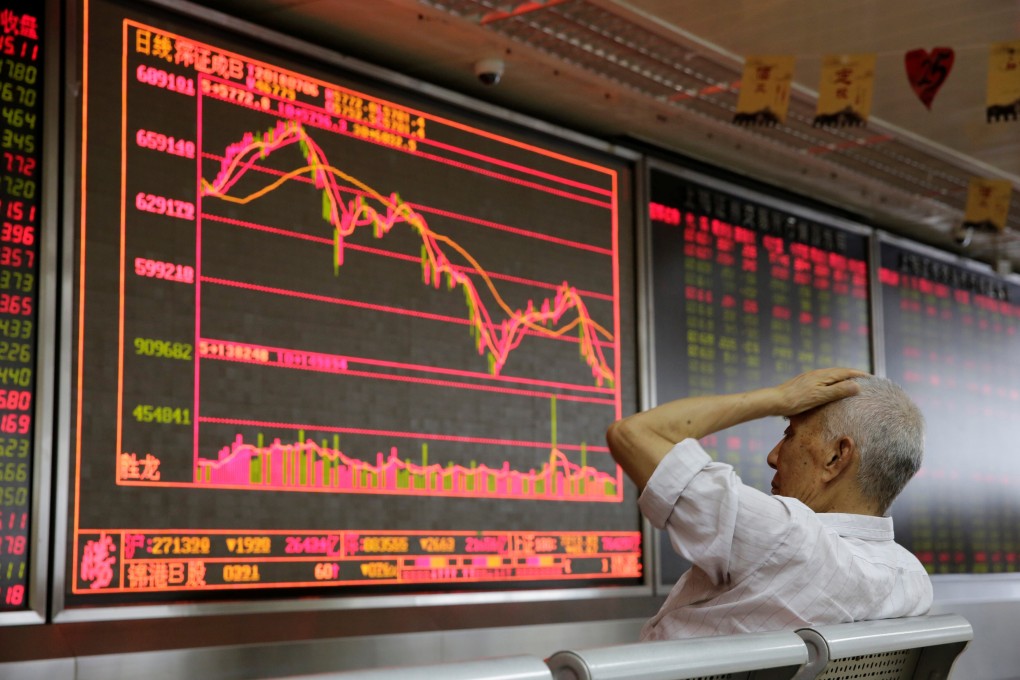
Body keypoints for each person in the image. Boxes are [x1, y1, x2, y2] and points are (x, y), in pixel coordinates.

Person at [606, 367, 933, 640]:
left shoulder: (784, 537)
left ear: (836, 457)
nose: (773, 456)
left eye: (790, 434)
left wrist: (779, 398)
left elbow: (632, 434)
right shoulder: (912, 581)